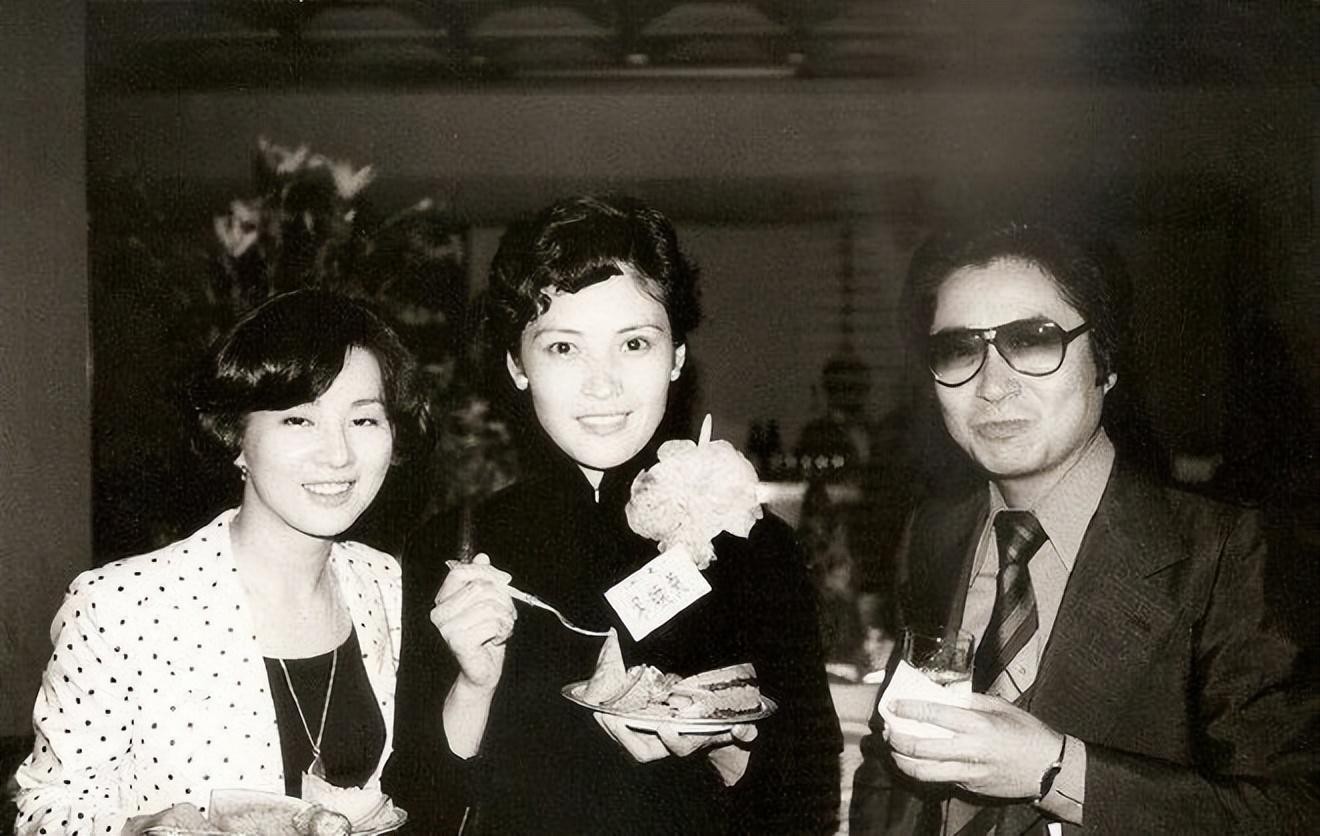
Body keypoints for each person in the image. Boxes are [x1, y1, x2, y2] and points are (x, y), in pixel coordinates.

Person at [385, 195, 842, 835]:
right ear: (517, 365)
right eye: (563, 348)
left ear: (676, 356)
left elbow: (810, 803)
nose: (602, 385)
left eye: (634, 343)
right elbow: (413, 809)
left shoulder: (753, 546)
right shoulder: (457, 548)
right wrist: (472, 688)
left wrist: (727, 748)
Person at [849, 221, 1320, 833]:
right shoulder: (935, 534)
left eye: (1032, 341)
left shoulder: (1226, 555)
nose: (992, 386)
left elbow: (1293, 811)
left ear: (1107, 362)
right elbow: (891, 757)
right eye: (960, 350)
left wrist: (1056, 770)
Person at [13, 290, 429, 835]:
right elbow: (44, 810)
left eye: (364, 420)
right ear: (236, 438)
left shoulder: (388, 586)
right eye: (298, 420)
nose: (338, 455)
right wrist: (139, 829)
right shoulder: (121, 608)